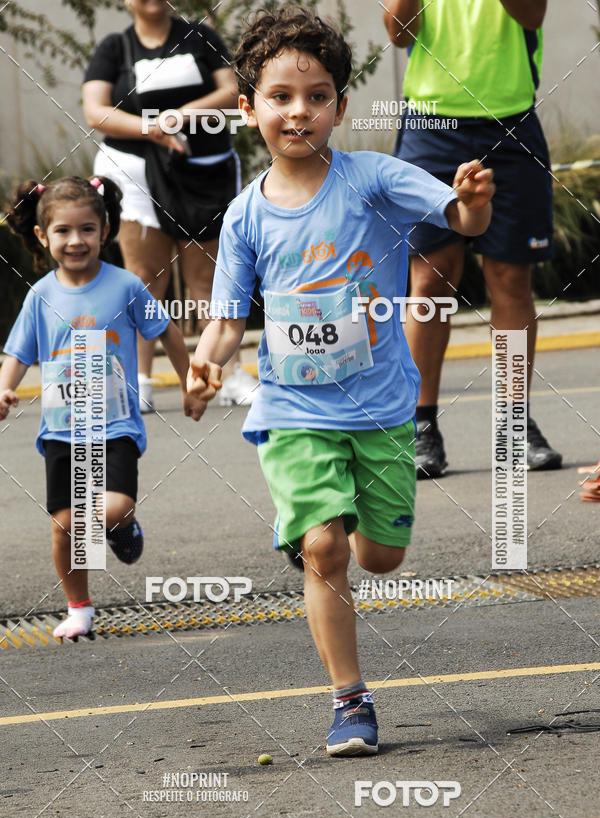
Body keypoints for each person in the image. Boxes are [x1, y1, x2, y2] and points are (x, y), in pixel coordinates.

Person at [187, 8, 495, 755]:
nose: (300, 112)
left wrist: (473, 202)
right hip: (292, 409)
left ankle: (338, 525)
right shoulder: (244, 217)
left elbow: (460, 218)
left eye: (318, 96)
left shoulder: (371, 178)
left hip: (382, 406)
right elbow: (228, 319)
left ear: (341, 107)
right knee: (324, 551)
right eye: (282, 96)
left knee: (378, 557)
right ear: (248, 107)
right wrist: (206, 359)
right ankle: (350, 700)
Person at [0, 176, 203, 639]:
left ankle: (122, 527)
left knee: (109, 508)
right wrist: (4, 389)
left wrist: (191, 384)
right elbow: (17, 354)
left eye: (87, 229)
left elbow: (167, 333)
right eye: (64, 232)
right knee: (64, 527)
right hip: (61, 431)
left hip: (114, 427)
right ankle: (80, 608)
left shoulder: (125, 286)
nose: (76, 241)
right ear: (41, 236)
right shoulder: (41, 297)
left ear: (106, 229)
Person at [384, 0, 561, 477]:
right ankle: (419, 426)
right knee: (429, 281)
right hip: (431, 123)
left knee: (510, 279)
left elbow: (532, 15)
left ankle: (514, 423)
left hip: (511, 120)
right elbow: (399, 32)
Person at [82, 0, 257, 412]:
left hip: (201, 173)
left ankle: (227, 373)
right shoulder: (114, 48)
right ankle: (139, 380)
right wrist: (152, 129)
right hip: (134, 173)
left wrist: (177, 117)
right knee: (145, 278)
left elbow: (232, 92)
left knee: (208, 277)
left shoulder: (199, 35)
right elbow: (95, 111)